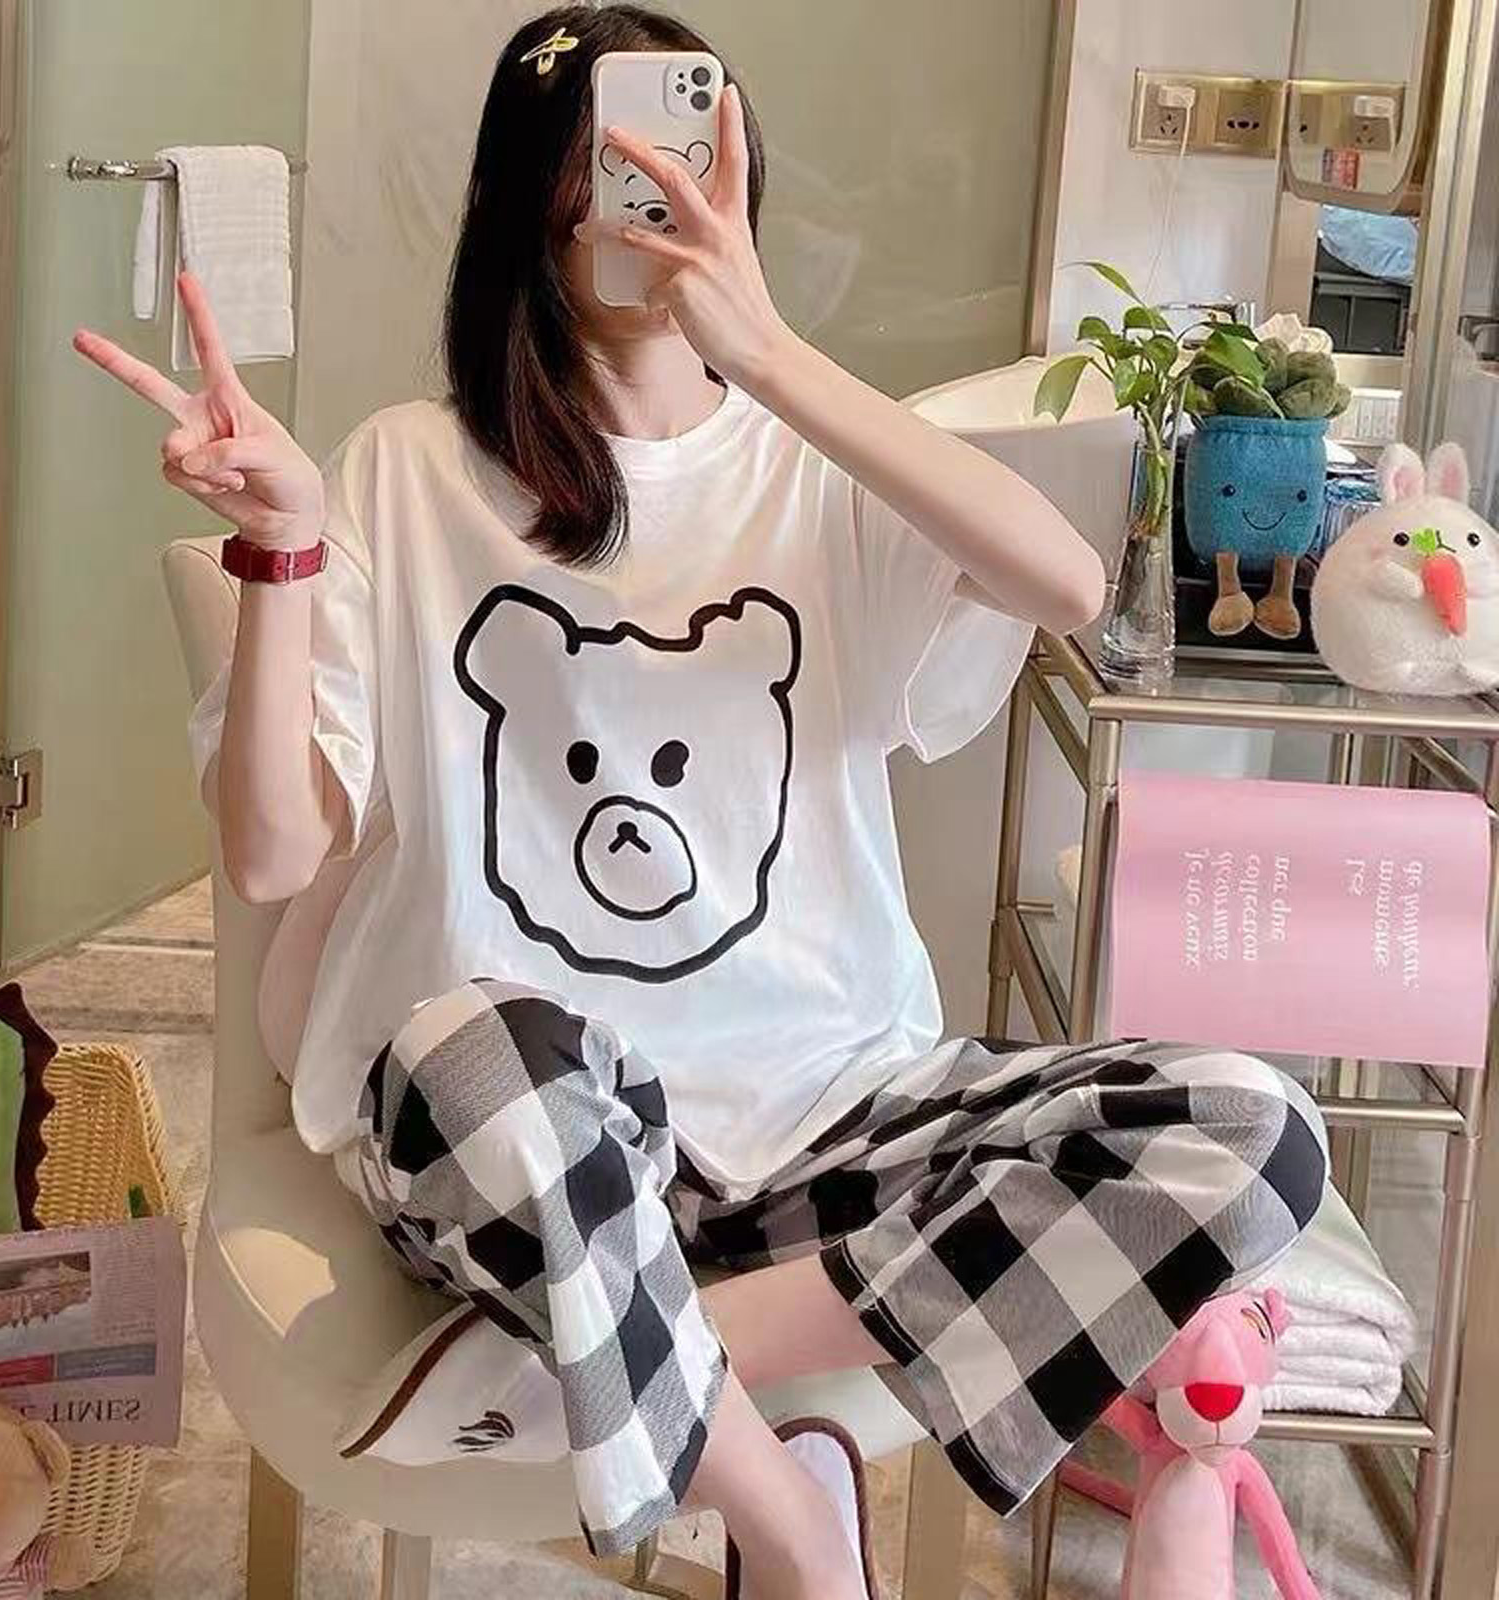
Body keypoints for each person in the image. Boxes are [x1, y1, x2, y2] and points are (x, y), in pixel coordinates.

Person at [76, 9, 1326, 1597]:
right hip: (521, 1148)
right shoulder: (401, 471)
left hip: (825, 1121)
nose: (651, 198)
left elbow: (1068, 584)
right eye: (606, 168)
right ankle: (790, 1525)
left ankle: (609, 1359)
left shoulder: (820, 464)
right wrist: (284, 554)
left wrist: (773, 357)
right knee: (479, 1053)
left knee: (1254, 1132)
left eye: (688, 156)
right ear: (531, 208)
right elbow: (270, 853)